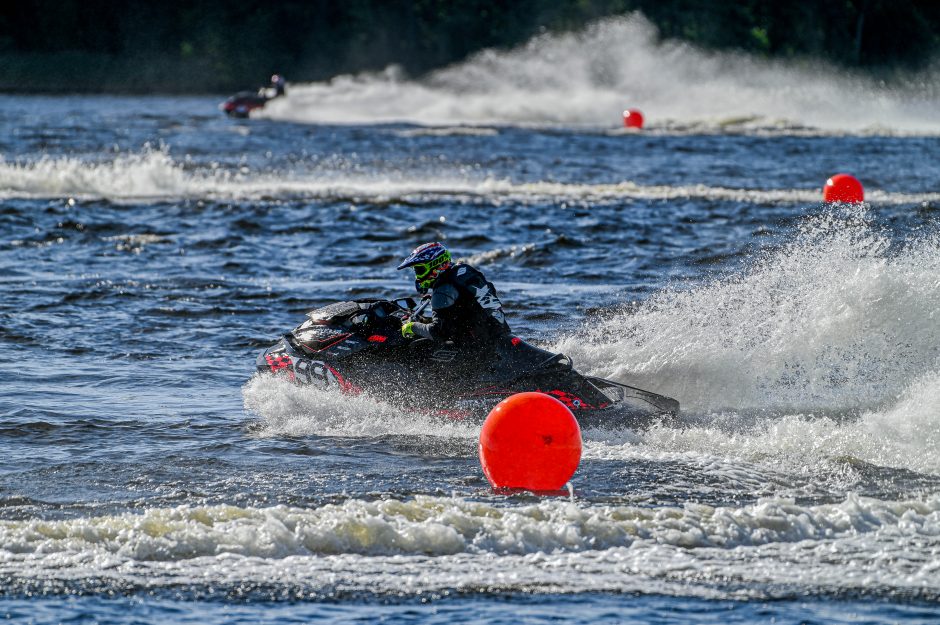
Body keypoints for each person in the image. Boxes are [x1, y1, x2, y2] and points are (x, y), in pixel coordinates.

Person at [397, 242, 511, 355]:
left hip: (478, 351)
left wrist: (412, 326)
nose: (418, 277)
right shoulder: (465, 271)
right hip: (501, 336)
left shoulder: (443, 288)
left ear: (436, 265)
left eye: (420, 270)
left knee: (416, 347)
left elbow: (438, 332)